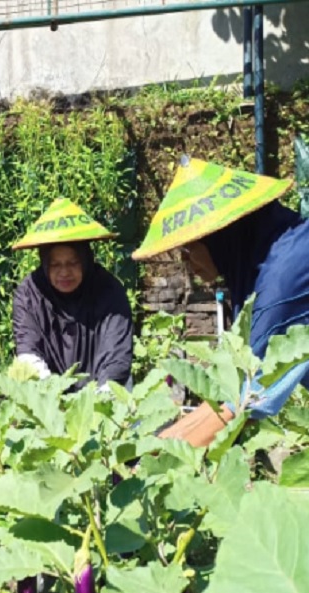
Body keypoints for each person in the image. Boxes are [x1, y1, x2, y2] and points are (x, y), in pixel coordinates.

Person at [132, 156, 309, 446]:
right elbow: (232, 396)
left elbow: (244, 404)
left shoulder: (283, 279)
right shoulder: (275, 256)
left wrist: (153, 459)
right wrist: (157, 442)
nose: (188, 265)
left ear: (220, 236)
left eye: (188, 251)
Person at [11, 198, 133, 390]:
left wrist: (99, 401)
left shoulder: (109, 290)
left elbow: (117, 354)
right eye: (55, 265)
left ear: (85, 260)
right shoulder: (29, 295)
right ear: (44, 264)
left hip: (104, 393)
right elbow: (28, 351)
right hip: (50, 396)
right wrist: (52, 395)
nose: (64, 272)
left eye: (73, 263)